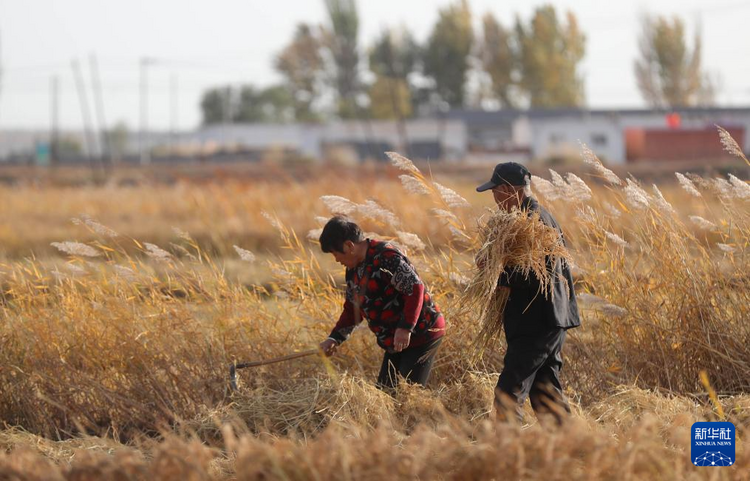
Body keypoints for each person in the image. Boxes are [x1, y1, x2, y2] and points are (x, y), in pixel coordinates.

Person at [476, 162, 581, 425]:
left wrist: (496, 275)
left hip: (538, 321)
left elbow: (538, 273)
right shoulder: (532, 216)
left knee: (507, 394)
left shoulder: (533, 221)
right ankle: (570, 451)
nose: (494, 198)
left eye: (496, 191)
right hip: (547, 319)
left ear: (510, 190)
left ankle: (510, 455)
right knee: (546, 395)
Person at [318, 216, 445, 390]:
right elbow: (352, 310)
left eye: (335, 254)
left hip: (422, 332)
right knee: (386, 393)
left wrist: (405, 327)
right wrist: (334, 338)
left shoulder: (386, 257)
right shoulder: (353, 270)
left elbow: (415, 288)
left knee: (409, 395)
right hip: (396, 340)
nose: (336, 260)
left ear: (349, 246)